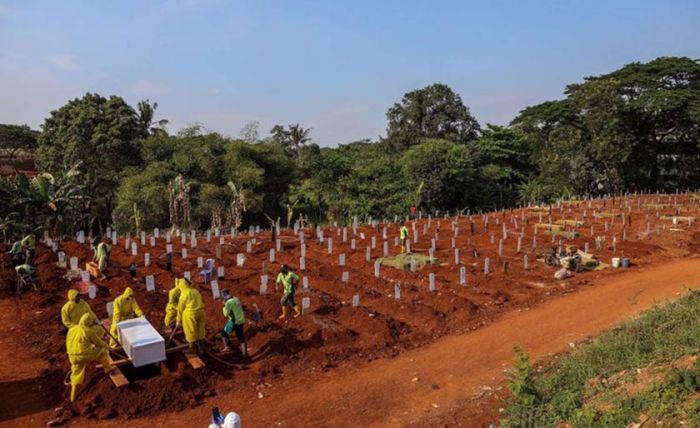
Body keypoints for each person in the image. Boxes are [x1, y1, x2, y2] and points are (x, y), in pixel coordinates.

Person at [66, 313, 114, 401]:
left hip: (72, 355)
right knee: (103, 352)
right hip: (84, 354)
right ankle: (108, 369)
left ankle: (73, 395)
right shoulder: (89, 331)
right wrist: (107, 346)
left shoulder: (72, 329)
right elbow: (99, 343)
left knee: (76, 371)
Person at [177, 277, 206, 353]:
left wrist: (178, 319)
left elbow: (180, 309)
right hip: (201, 312)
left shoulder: (184, 294)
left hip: (191, 314)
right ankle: (201, 346)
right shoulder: (195, 291)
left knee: (190, 330)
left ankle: (192, 348)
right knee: (201, 329)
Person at [220, 290, 248, 357]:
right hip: (241, 320)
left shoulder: (228, 303)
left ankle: (227, 347)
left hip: (234, 321)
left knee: (223, 333)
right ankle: (244, 354)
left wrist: (224, 306)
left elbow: (226, 314)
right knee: (240, 336)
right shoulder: (236, 298)